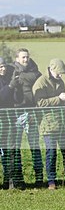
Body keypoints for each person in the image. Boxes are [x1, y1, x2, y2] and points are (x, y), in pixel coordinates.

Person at [32, 58, 65, 189]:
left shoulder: (60, 81)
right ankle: (51, 181)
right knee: (51, 153)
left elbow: (61, 101)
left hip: (63, 123)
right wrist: (59, 99)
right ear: (51, 69)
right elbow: (39, 102)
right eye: (59, 72)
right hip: (49, 125)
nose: (61, 75)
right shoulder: (41, 82)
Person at [12, 48, 44, 185]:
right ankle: (18, 178)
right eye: (23, 57)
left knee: (34, 145)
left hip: (31, 113)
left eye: (27, 57)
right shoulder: (11, 72)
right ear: (17, 59)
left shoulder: (36, 72)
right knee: (16, 147)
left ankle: (39, 177)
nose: (26, 60)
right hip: (16, 113)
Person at [0, 57, 23, 189]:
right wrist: (10, 86)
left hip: (9, 119)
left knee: (11, 150)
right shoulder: (7, 82)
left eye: (4, 66)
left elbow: (18, 100)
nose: (3, 69)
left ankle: (10, 180)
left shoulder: (9, 78)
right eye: (0, 66)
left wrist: (18, 88)